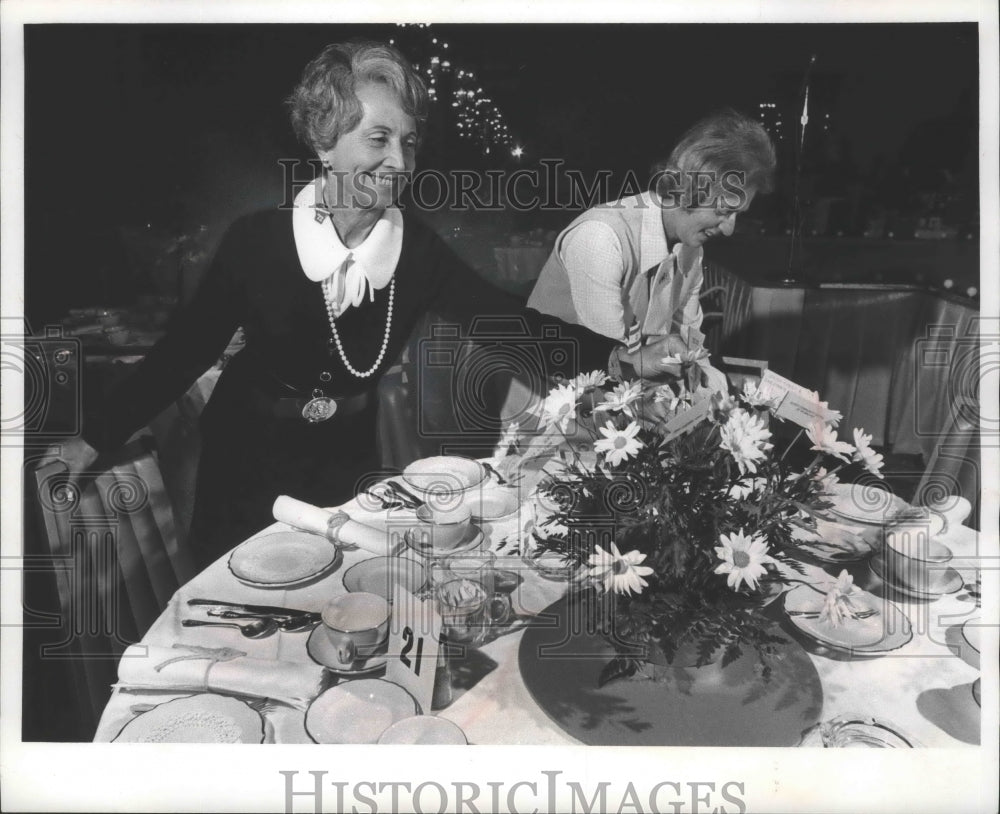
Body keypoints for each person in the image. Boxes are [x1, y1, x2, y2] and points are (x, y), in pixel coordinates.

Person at [40, 41, 534, 571]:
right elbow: (185, 351)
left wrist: (623, 361)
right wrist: (96, 435)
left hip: (347, 467)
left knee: (343, 603)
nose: (399, 161)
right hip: (244, 467)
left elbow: (511, 325)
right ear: (326, 144)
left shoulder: (418, 252)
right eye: (379, 138)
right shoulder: (256, 240)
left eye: (409, 143)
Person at [527, 109, 776, 392]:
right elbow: (612, 367)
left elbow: (690, 345)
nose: (730, 229)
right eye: (724, 210)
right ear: (692, 185)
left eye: (738, 214)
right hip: (555, 400)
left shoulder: (692, 248)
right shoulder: (600, 238)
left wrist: (714, 389)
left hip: (629, 393)